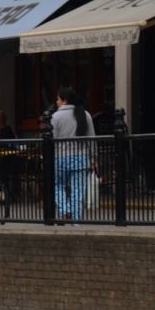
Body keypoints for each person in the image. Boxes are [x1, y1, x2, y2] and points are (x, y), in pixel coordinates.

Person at [50, 87, 94, 223]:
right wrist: (94, 158)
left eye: (58, 99)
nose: (56, 102)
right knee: (78, 191)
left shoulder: (55, 117)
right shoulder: (84, 114)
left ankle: (65, 210)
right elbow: (91, 138)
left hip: (60, 158)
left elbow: (51, 140)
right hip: (81, 158)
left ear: (64, 100)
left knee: (57, 186)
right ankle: (77, 222)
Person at [0, 111, 21, 202]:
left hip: (7, 161)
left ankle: (3, 194)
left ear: (0, 122)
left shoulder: (6, 132)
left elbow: (4, 145)